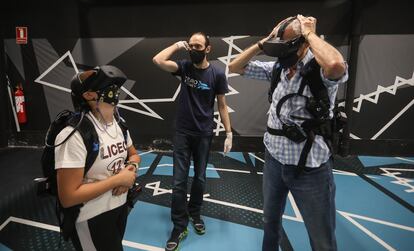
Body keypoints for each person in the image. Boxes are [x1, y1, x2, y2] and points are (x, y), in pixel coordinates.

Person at [228, 15, 348, 251]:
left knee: (321, 238)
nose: (284, 57)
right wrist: (264, 42)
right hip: (274, 161)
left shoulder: (319, 72)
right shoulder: (278, 68)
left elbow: (335, 65)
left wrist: (310, 33)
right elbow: (235, 67)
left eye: (289, 48)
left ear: (304, 44)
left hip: (310, 169)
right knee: (270, 222)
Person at [152, 32, 233, 251]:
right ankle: (179, 226)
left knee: (199, 177)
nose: (194, 49)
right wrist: (177, 45)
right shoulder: (184, 67)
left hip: (204, 133)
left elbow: (222, 105)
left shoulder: (217, 74)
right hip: (182, 132)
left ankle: (195, 213)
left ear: (208, 49)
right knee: (179, 181)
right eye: (191, 45)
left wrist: (229, 133)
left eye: (199, 46)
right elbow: (158, 60)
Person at [55, 65, 141, 251]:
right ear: (88, 95)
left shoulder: (117, 124)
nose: (115, 92)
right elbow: (68, 197)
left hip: (119, 207)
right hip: (91, 216)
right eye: (109, 87)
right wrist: (117, 180)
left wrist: (130, 170)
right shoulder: (74, 135)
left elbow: (133, 154)